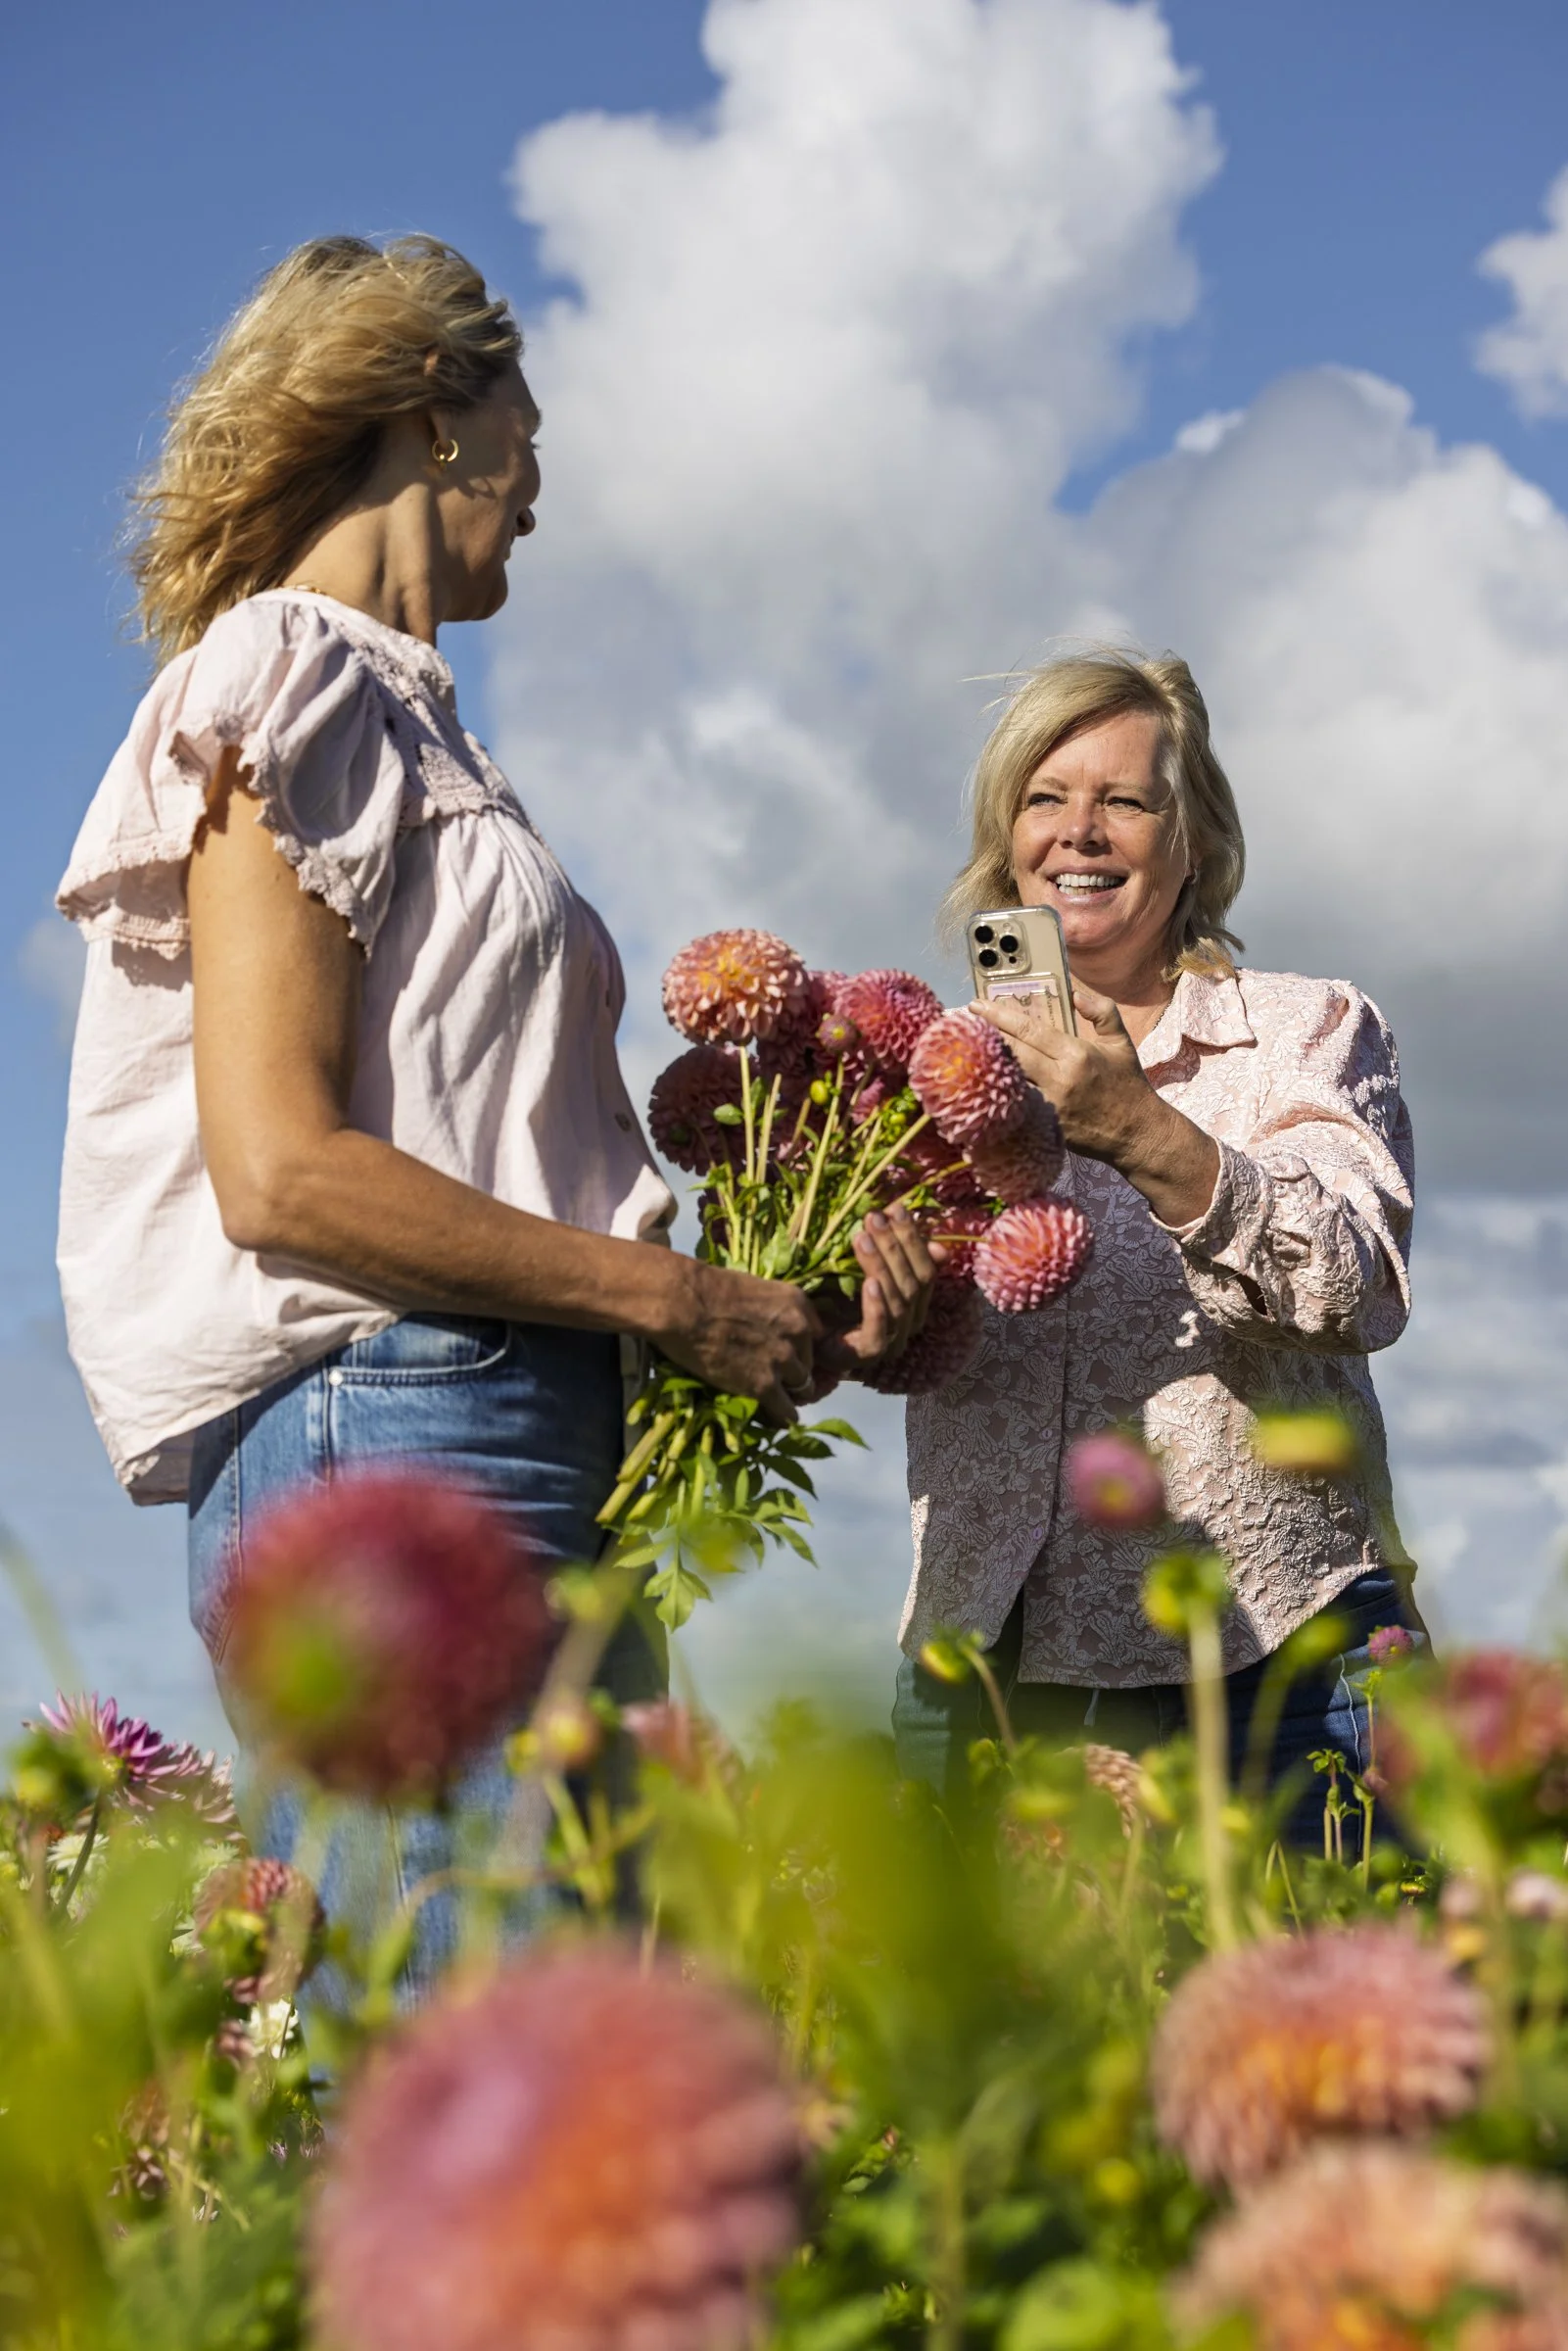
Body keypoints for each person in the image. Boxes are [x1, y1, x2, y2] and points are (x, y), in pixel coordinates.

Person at [56, 233, 935, 1967]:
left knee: (566, 2029)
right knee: (469, 2038)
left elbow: (480, 1144)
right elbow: (284, 1174)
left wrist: (773, 1313)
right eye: (528, 428)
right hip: (400, 1421)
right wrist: (673, 1298)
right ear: (436, 409)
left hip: (506, 1417)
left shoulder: (412, 725)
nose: (540, 483)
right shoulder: (289, 674)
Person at [894, 648, 1421, 1845]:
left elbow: (1355, 1284)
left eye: (1122, 801)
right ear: (1004, 839)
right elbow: (885, 1348)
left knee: (1325, 2013)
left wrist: (1138, 1129)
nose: (1077, 833)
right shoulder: (930, 1069)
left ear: (1193, 845)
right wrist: (865, 1314)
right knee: (997, 2030)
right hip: (989, 1650)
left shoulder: (1304, 1031)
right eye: (1044, 799)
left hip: (1281, 1654)